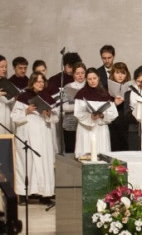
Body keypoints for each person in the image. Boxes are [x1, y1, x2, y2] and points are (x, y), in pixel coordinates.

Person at [12, 73, 59, 204]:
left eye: (42, 82)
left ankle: (44, 194)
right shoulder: (23, 97)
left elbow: (55, 118)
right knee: (27, 163)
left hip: (43, 134)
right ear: (32, 82)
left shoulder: (47, 97)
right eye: (38, 81)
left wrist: (48, 114)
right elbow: (14, 116)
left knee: (44, 163)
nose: (41, 84)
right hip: (27, 134)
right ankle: (24, 193)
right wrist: (26, 111)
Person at [73, 68, 118, 158]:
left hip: (101, 128)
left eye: (94, 78)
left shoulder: (105, 94)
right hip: (86, 129)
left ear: (98, 78)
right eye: (90, 79)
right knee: (87, 155)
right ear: (86, 80)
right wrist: (90, 116)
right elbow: (77, 112)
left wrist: (102, 115)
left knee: (102, 155)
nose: (92, 81)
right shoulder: (81, 94)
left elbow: (113, 113)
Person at [61, 62, 86, 154]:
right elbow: (64, 107)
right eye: (77, 73)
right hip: (70, 124)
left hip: (85, 123)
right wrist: (80, 105)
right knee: (71, 152)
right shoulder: (68, 87)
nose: (80, 75)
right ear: (73, 75)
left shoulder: (89, 86)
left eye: (82, 73)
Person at [108, 63, 132, 151]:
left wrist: (127, 99)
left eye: (123, 73)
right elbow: (104, 108)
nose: (120, 76)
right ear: (113, 74)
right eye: (117, 73)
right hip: (113, 121)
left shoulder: (130, 87)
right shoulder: (107, 88)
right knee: (114, 143)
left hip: (125, 120)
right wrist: (114, 103)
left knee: (125, 144)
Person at [0, 55, 14, 135]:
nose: (4, 69)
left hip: (6, 117)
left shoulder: (7, 82)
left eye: (6, 67)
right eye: (1, 67)